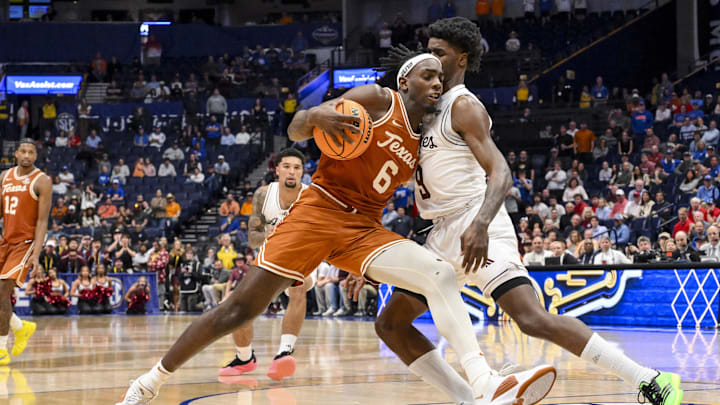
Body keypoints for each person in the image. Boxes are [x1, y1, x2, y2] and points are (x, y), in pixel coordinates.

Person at [119, 50, 515, 405]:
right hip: (319, 210)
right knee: (239, 310)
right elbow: (297, 128)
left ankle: (478, 388)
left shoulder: (424, 137)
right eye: (427, 75)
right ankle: (148, 383)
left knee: (439, 273)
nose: (435, 83)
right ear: (404, 81)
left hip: (363, 227)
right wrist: (313, 116)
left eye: (440, 80)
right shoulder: (378, 100)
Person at [372, 18, 683, 405]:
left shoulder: (462, 105)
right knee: (390, 324)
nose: (430, 59)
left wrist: (482, 224)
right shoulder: (425, 112)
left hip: (476, 222)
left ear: (462, 60)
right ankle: (473, 397)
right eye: (428, 51)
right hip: (438, 233)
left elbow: (501, 173)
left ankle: (651, 378)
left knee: (531, 319)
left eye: (439, 53)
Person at [218, 148, 313, 380]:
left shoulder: (312, 196)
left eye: (297, 167)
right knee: (237, 305)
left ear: (302, 172)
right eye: (287, 167)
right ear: (277, 169)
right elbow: (252, 238)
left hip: (304, 254)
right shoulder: (263, 194)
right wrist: (269, 234)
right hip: (270, 257)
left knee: (298, 284)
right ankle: (244, 357)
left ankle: (285, 352)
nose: (292, 172)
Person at [0, 139, 52, 365]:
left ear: (35, 156)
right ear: (16, 154)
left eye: (31, 152)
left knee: (2, 291)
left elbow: (42, 221)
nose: (27, 155)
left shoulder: (42, 181)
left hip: (26, 242)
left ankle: (1, 349)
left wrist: (36, 254)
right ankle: (20, 327)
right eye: (23, 151)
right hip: (6, 240)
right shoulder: (4, 177)